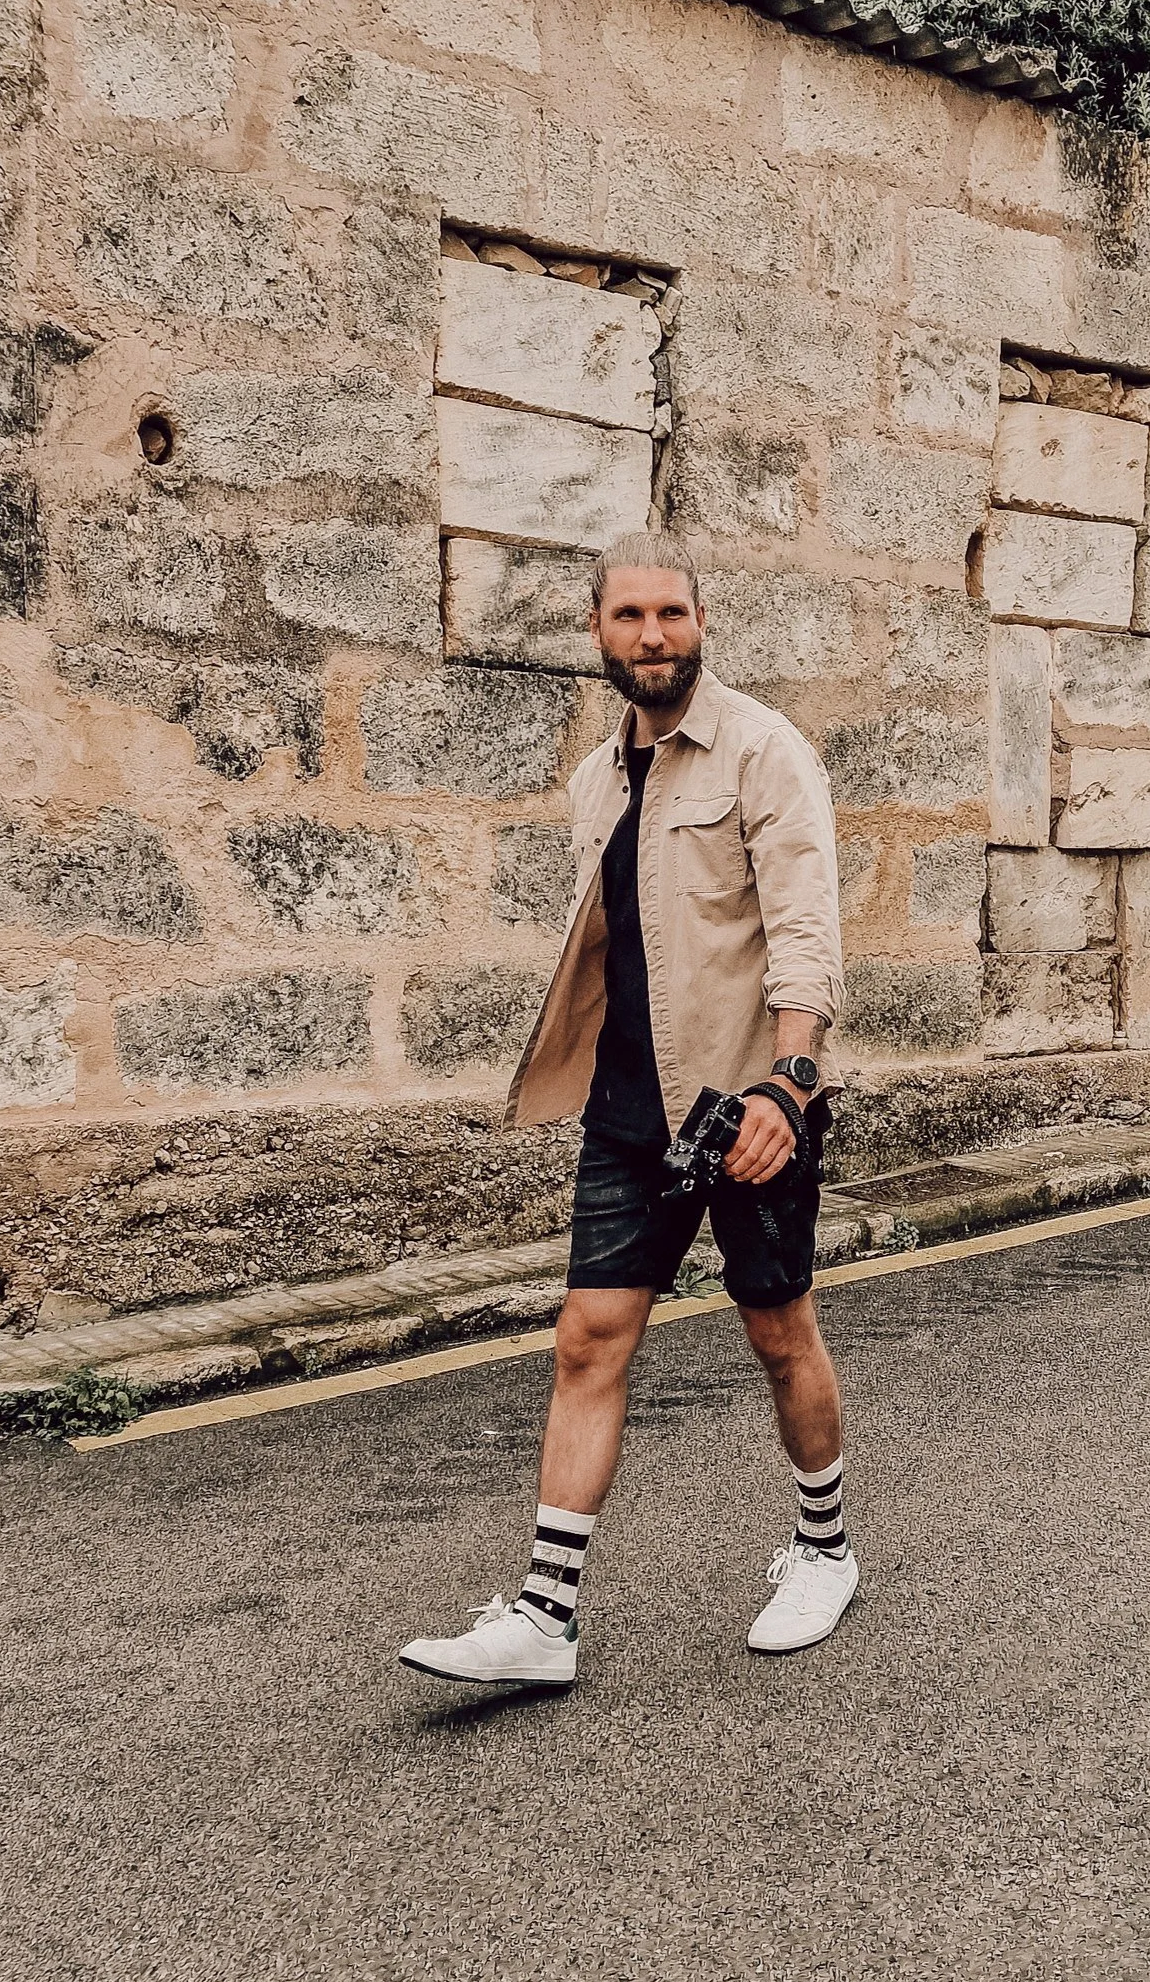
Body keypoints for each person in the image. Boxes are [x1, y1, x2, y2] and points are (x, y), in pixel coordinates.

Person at [402, 532, 858, 1687]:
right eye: (629, 618)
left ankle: (824, 1549)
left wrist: (790, 1083)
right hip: (628, 1108)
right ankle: (546, 1615)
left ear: (702, 621)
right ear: (596, 633)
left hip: (746, 1106)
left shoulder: (764, 752)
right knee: (587, 1340)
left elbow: (805, 929)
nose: (652, 636)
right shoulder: (596, 780)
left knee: (776, 1331)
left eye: (671, 614)